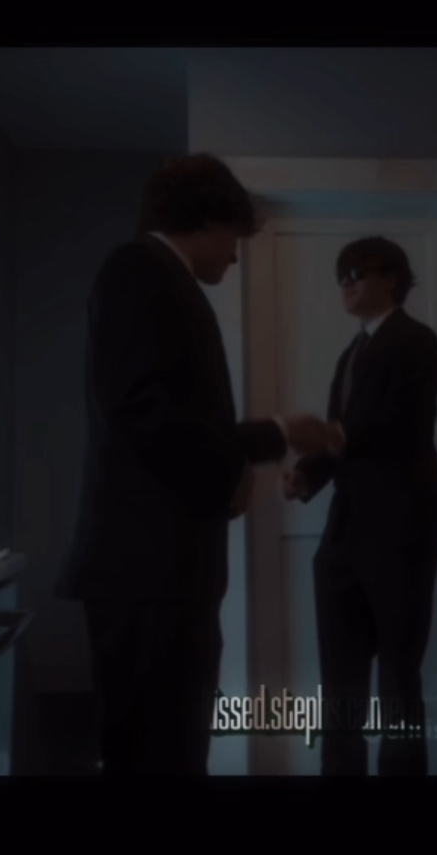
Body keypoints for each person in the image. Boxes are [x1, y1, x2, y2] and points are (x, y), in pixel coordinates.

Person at [56, 153, 336, 775]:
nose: (235, 258)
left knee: (173, 750)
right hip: (146, 571)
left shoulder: (161, 278)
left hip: (161, 571)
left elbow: (167, 420)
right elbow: (140, 412)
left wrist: (240, 464)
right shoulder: (138, 269)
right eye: (234, 237)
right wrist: (268, 441)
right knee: (157, 755)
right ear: (209, 217)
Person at [282, 237, 437, 775]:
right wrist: (307, 474)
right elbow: (343, 437)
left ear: (391, 278)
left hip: (401, 530)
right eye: (341, 275)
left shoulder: (416, 341)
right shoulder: (350, 354)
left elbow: (403, 423)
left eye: (358, 272)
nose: (346, 282)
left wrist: (330, 436)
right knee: (340, 675)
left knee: (398, 674)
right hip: (345, 532)